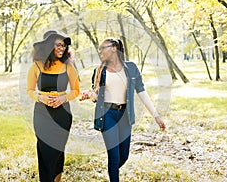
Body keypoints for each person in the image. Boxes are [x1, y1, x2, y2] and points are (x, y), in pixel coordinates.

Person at [80, 38, 166, 182]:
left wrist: (156, 116)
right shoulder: (99, 71)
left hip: (125, 115)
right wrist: (90, 95)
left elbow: (142, 92)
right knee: (113, 156)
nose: (100, 51)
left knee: (123, 156)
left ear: (114, 48)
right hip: (107, 115)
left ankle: (112, 171)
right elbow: (97, 96)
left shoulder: (131, 68)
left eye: (103, 48)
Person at [27, 30, 80, 182]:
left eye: (63, 46)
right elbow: (29, 90)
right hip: (42, 114)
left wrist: (63, 98)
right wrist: (40, 97)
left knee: (58, 150)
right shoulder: (36, 66)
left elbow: (76, 91)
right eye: (58, 45)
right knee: (44, 150)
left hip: (62, 115)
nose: (61, 48)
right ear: (49, 46)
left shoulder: (68, 67)